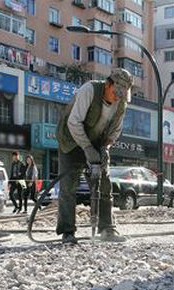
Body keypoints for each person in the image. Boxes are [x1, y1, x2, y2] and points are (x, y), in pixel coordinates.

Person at [55, 68, 133, 244]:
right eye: (115, 92)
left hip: (97, 142)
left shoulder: (121, 105)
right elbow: (73, 122)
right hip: (72, 141)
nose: (117, 97)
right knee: (68, 187)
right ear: (107, 84)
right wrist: (87, 149)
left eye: (121, 95)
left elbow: (115, 131)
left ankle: (107, 229)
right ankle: (68, 232)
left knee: (104, 184)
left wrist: (105, 148)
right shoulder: (89, 90)